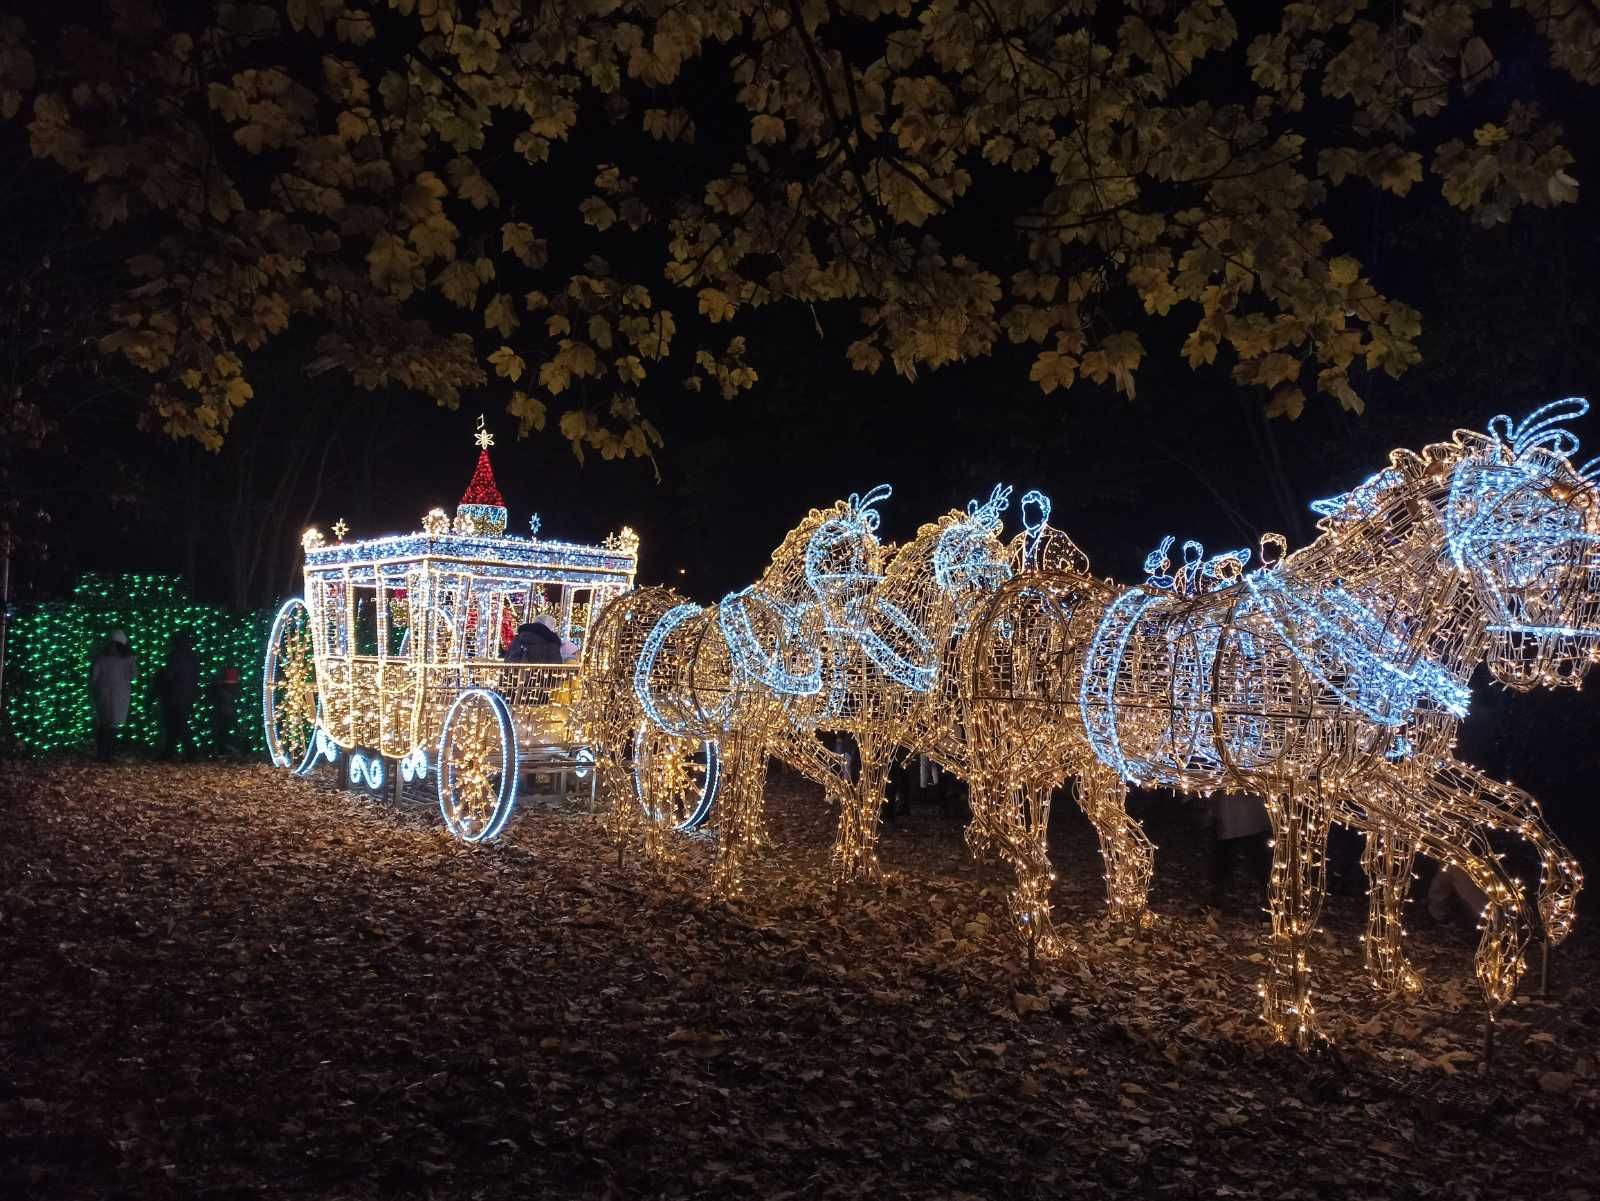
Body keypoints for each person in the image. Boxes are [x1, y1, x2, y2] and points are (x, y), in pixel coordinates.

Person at [1206, 793, 1271, 912]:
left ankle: (1270, 900)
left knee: (1258, 859)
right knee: (1222, 857)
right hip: (1229, 812)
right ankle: (1215, 898)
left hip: (1247, 812)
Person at [89, 629, 137, 761]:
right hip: (120, 696)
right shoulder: (128, 660)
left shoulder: (101, 659)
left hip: (104, 694)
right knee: (111, 727)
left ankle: (103, 755)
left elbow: (93, 677)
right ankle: (107, 755)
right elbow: (134, 676)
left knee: (105, 726)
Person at [154, 630, 201, 761]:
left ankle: (187, 752)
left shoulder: (177, 655)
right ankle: (172, 752)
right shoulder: (192, 656)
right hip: (187, 695)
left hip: (175, 696)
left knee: (175, 724)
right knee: (178, 724)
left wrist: (160, 677)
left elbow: (170, 675)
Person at [210, 666, 244, 757]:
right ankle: (223, 750)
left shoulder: (224, 690)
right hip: (226, 713)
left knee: (223, 733)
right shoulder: (228, 690)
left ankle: (224, 750)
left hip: (225, 713)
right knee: (223, 733)